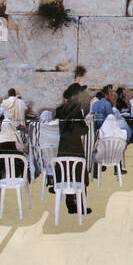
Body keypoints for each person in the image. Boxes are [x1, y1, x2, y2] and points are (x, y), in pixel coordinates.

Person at [53, 83, 91, 216]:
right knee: (80, 177)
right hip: (75, 147)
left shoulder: (60, 109)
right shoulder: (76, 109)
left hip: (63, 147)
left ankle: (70, 206)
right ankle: (81, 206)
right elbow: (82, 130)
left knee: (66, 176)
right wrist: (85, 126)